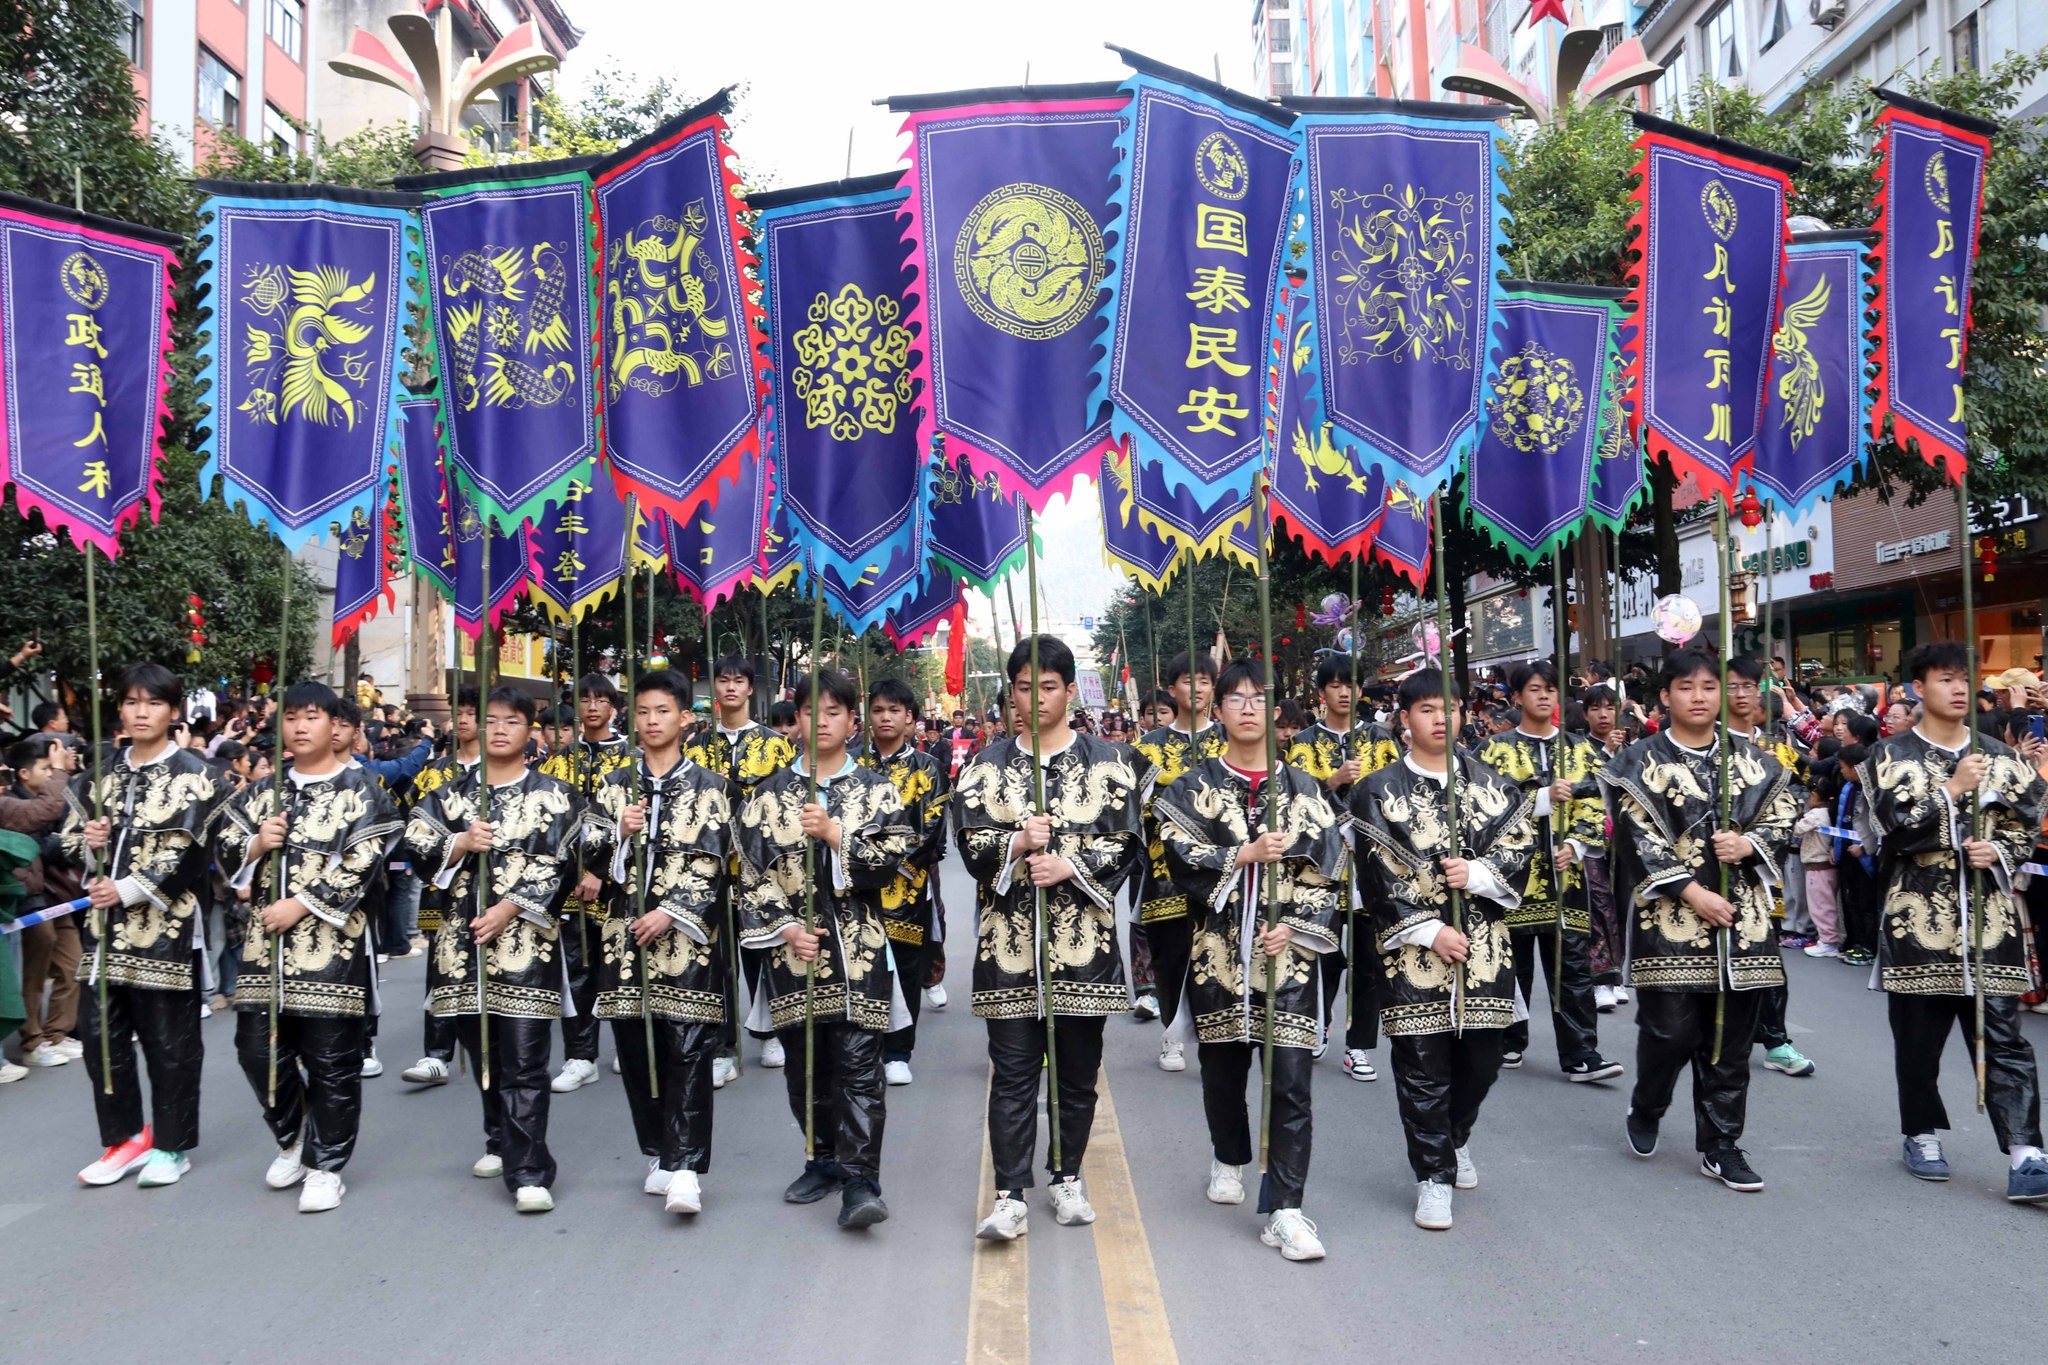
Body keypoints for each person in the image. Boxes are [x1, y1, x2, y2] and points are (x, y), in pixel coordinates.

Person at [956, 636, 1145, 1241]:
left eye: (1048, 687)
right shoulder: (983, 767)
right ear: (1009, 692)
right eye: (1023, 687)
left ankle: (1067, 1176)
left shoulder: (1109, 761)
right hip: (1008, 946)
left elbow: (1126, 841)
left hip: (1083, 948)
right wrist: (1015, 842)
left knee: (1076, 1074)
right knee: (1012, 1072)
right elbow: (969, 844)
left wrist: (1070, 865)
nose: (1035, 698)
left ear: (1068, 691)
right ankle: (1010, 1193)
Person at [1156, 660, 1345, 1261]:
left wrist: (1296, 923)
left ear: (1276, 710)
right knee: (1223, 1073)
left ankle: (1285, 1208)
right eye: (1235, 698)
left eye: (1258, 698)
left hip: (1289, 960)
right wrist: (1242, 854)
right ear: (1218, 711)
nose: (1246, 708)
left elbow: (1331, 872)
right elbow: (1179, 857)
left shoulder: (1307, 790)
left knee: (1290, 1082)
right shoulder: (1192, 787)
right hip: (1218, 953)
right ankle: (1229, 1154)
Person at [1856, 642, 2048, 1202]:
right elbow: (1892, 833)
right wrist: (1952, 790)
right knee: (1919, 1040)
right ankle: (1920, 1132)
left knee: (2005, 1037)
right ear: (1918, 688)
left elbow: (2026, 822)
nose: (1959, 688)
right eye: (1945, 679)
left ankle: (2027, 1153)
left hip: (1991, 921)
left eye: (1965, 678)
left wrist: (2000, 850)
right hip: (1916, 921)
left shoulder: (2002, 756)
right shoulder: (1886, 757)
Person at [1601, 649, 1797, 1193]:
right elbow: (1636, 839)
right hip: (1669, 922)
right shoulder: (1637, 761)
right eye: (1686, 687)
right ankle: (1648, 1102)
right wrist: (1692, 892)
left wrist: (1750, 844)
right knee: (1670, 1032)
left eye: (1710, 686)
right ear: (1666, 696)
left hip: (1743, 923)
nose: (1699, 696)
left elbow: (1784, 815)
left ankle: (1721, 1144)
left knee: (1730, 1044)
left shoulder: (1755, 760)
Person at [1352, 670, 1535, 1231]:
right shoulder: (1376, 790)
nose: (1440, 719)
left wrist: (1476, 874)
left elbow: (1519, 849)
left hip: (1485, 949)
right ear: (1404, 719)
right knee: (1421, 1068)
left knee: (1482, 1063)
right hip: (1412, 953)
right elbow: (1377, 873)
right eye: (1426, 709)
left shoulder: (1494, 784)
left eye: (1449, 708)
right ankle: (1433, 1176)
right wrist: (1430, 929)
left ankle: (1455, 1137)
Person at [736, 667, 916, 1230]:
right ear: (796, 720)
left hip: (860, 948)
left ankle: (861, 1181)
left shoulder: (877, 789)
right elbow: (748, 875)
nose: (822, 722)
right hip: (794, 954)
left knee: (860, 1068)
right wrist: (786, 927)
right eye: (812, 712)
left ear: (851, 722)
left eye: (834, 712)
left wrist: (838, 836)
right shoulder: (765, 797)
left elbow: (893, 860)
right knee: (805, 1068)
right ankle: (821, 1159)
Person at [216, 681, 401, 1213]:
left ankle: (327, 1166)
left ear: (334, 725)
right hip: (265, 951)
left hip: (332, 949)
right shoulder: (263, 792)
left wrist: (300, 904)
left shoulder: (363, 790)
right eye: (291, 717)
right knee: (257, 1051)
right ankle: (294, 1135)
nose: (299, 727)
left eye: (311, 717)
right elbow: (225, 849)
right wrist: (257, 843)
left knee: (332, 1060)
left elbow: (363, 864)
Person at [403, 687, 579, 1214]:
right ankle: (499, 1138)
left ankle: (530, 1171)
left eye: (512, 721)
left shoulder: (556, 794)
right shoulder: (447, 795)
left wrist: (510, 906)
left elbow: (562, 861)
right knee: (484, 1055)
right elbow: (416, 845)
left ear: (531, 731)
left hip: (526, 946)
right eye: (491, 720)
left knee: (525, 1059)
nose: (500, 729)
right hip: (461, 947)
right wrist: (457, 844)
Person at [63, 663, 232, 1189]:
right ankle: (125, 1138)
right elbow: (68, 841)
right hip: (102, 936)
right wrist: (88, 845)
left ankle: (171, 1145)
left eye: (154, 703)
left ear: (173, 711)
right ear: (119, 708)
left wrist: (128, 889)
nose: (141, 712)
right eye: (132, 702)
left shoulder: (199, 776)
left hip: (168, 933)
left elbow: (192, 855)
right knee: (100, 1040)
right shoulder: (98, 775)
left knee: (169, 1043)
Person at [586, 669, 732, 1216]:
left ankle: (687, 1167)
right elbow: (585, 858)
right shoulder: (612, 785)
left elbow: (717, 864)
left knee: (687, 1049)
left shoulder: (712, 787)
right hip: (623, 938)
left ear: (685, 718)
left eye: (663, 711)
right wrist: (617, 834)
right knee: (635, 1049)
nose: (651, 721)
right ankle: (659, 1154)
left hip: (688, 943)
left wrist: (671, 911)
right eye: (643, 711)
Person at [1477, 661, 1620, 1081]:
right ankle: (1508, 1040)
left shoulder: (1581, 749)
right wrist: (1540, 798)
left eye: (1551, 689)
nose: (1544, 696)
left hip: (1566, 882)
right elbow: (1484, 810)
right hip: (1511, 882)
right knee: (1512, 966)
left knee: (1572, 969)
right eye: (1535, 689)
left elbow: (1595, 806)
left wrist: (1575, 845)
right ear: (1517, 697)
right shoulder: (1493, 750)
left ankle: (1581, 1053)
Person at [1286, 653, 1402, 1083]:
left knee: (1370, 961)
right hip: (1323, 870)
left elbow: (1397, 796)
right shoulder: (1302, 744)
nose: (1344, 692)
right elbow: (1295, 800)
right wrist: (1332, 782)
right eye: (1334, 685)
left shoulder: (1380, 739)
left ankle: (1359, 1046)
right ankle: (1320, 1022)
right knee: (1325, 955)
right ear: (1322, 693)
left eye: (1350, 684)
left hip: (1371, 866)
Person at [688, 656, 798, 1079]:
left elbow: (787, 802)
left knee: (761, 948)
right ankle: (721, 1046)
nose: (730, 687)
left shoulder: (776, 745)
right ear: (714, 688)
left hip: (759, 867)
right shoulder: (695, 746)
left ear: (751, 688)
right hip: (710, 866)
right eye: (723, 680)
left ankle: (769, 1031)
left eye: (739, 681)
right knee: (714, 955)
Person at [538, 673, 635, 1094]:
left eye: (601, 700)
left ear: (614, 707)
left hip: (621, 881)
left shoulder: (632, 758)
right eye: (585, 699)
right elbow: (549, 825)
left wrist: (600, 868)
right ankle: (581, 1055)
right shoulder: (556, 763)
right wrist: (576, 872)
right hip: (570, 884)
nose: (592, 707)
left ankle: (627, 1045)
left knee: (624, 964)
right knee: (578, 967)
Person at [1722, 656, 1818, 1079]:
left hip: (1761, 873)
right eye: (1733, 687)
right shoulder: (1704, 746)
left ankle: (1776, 1041)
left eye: (1750, 688)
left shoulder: (1780, 751)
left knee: (1767, 958)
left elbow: (1808, 785)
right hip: (1708, 875)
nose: (1743, 696)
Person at [1134, 650, 1225, 1071]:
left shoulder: (1229, 740)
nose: (1198, 689)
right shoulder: (1147, 748)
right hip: (1164, 870)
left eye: (1205, 681)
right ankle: (1172, 1035)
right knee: (1170, 957)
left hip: (1221, 870)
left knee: (1216, 956)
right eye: (1189, 681)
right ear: (1172, 689)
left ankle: (1215, 1036)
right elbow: (1133, 808)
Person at [856, 678, 950, 1087]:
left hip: (908, 885)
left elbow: (931, 828)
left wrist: (888, 860)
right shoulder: (854, 765)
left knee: (907, 967)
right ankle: (865, 1046)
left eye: (894, 710)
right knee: (864, 965)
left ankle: (898, 1051)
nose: (885, 717)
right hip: (856, 885)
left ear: (909, 717)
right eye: (878, 710)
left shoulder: (927, 768)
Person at [398, 690, 480, 1087]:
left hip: (489, 889)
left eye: (471, 713)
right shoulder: (434, 772)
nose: (462, 720)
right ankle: (437, 1054)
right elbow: (414, 823)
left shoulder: (501, 772)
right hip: (441, 885)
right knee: (441, 965)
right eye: (458, 713)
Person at [4, 734, 82, 1069]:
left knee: (73, 963)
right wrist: (61, 842)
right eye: (46, 768)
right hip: (27, 902)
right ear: (24, 773)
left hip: (53, 895)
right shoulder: (13, 804)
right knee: (32, 974)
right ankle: (33, 1041)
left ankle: (57, 1033)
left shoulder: (47, 797)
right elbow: (44, 825)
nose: (52, 774)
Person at [1575, 688, 1629, 1011]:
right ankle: (1600, 980)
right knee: (1598, 905)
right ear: (1586, 715)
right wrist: (1606, 754)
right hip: (1591, 838)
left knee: (1620, 905)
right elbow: (1582, 786)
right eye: (1596, 708)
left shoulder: (1629, 749)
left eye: (1610, 708)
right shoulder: (1578, 749)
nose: (1604, 715)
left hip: (1622, 839)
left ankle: (1617, 973)